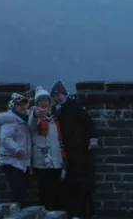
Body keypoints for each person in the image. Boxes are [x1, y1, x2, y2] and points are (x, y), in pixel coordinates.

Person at [51, 80, 99, 219]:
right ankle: (74, 213)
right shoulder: (56, 110)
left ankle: (87, 213)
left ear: (65, 94)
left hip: (81, 150)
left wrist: (93, 139)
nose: (57, 97)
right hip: (66, 153)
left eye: (59, 94)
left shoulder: (74, 106)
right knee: (70, 184)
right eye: (54, 95)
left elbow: (88, 123)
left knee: (83, 183)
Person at [28, 86, 65, 211]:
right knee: (44, 191)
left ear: (50, 102)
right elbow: (32, 124)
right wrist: (35, 114)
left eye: (46, 100)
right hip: (42, 161)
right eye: (40, 100)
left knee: (57, 190)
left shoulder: (55, 118)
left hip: (56, 161)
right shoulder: (35, 117)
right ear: (37, 103)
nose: (43, 102)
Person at [0, 92, 33, 209]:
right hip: (11, 160)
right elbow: (5, 138)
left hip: (21, 161)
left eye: (24, 104)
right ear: (13, 106)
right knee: (18, 191)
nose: (22, 107)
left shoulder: (24, 119)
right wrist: (17, 149)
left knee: (23, 190)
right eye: (19, 105)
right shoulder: (10, 120)